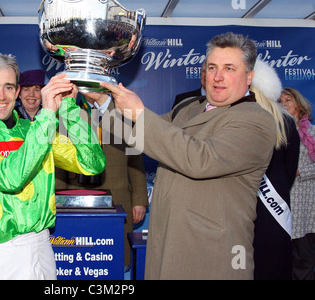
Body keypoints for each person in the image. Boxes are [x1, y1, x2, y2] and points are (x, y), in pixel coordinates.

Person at [101, 32, 277, 279]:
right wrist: (100, 99)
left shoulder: (256, 121)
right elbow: (136, 136)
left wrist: (140, 113)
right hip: (167, 240)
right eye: (212, 67)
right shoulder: (189, 107)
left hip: (211, 254)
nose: (217, 76)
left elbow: (200, 160)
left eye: (229, 68)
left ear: (249, 76)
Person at [0, 53, 105, 280]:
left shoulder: (35, 129)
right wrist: (48, 115)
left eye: (8, 87)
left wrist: (69, 107)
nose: (1, 96)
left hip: (42, 246)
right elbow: (10, 178)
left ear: (17, 91)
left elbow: (92, 164)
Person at [55, 92, 149, 269]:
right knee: (81, 260)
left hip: (117, 196)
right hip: (75, 197)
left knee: (116, 262)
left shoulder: (124, 112)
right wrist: (56, 199)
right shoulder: (67, 112)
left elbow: (135, 159)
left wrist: (139, 200)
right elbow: (59, 162)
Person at [250, 60, 300, 280]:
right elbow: (290, 169)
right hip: (276, 202)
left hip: (251, 203)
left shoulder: (244, 120)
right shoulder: (287, 122)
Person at [279, 87, 315, 280]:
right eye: (280, 101)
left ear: (299, 105)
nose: (283, 104)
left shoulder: (313, 133)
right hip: (281, 201)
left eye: (288, 101)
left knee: (304, 255)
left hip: (306, 204)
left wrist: (300, 171)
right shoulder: (275, 133)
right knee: (280, 256)